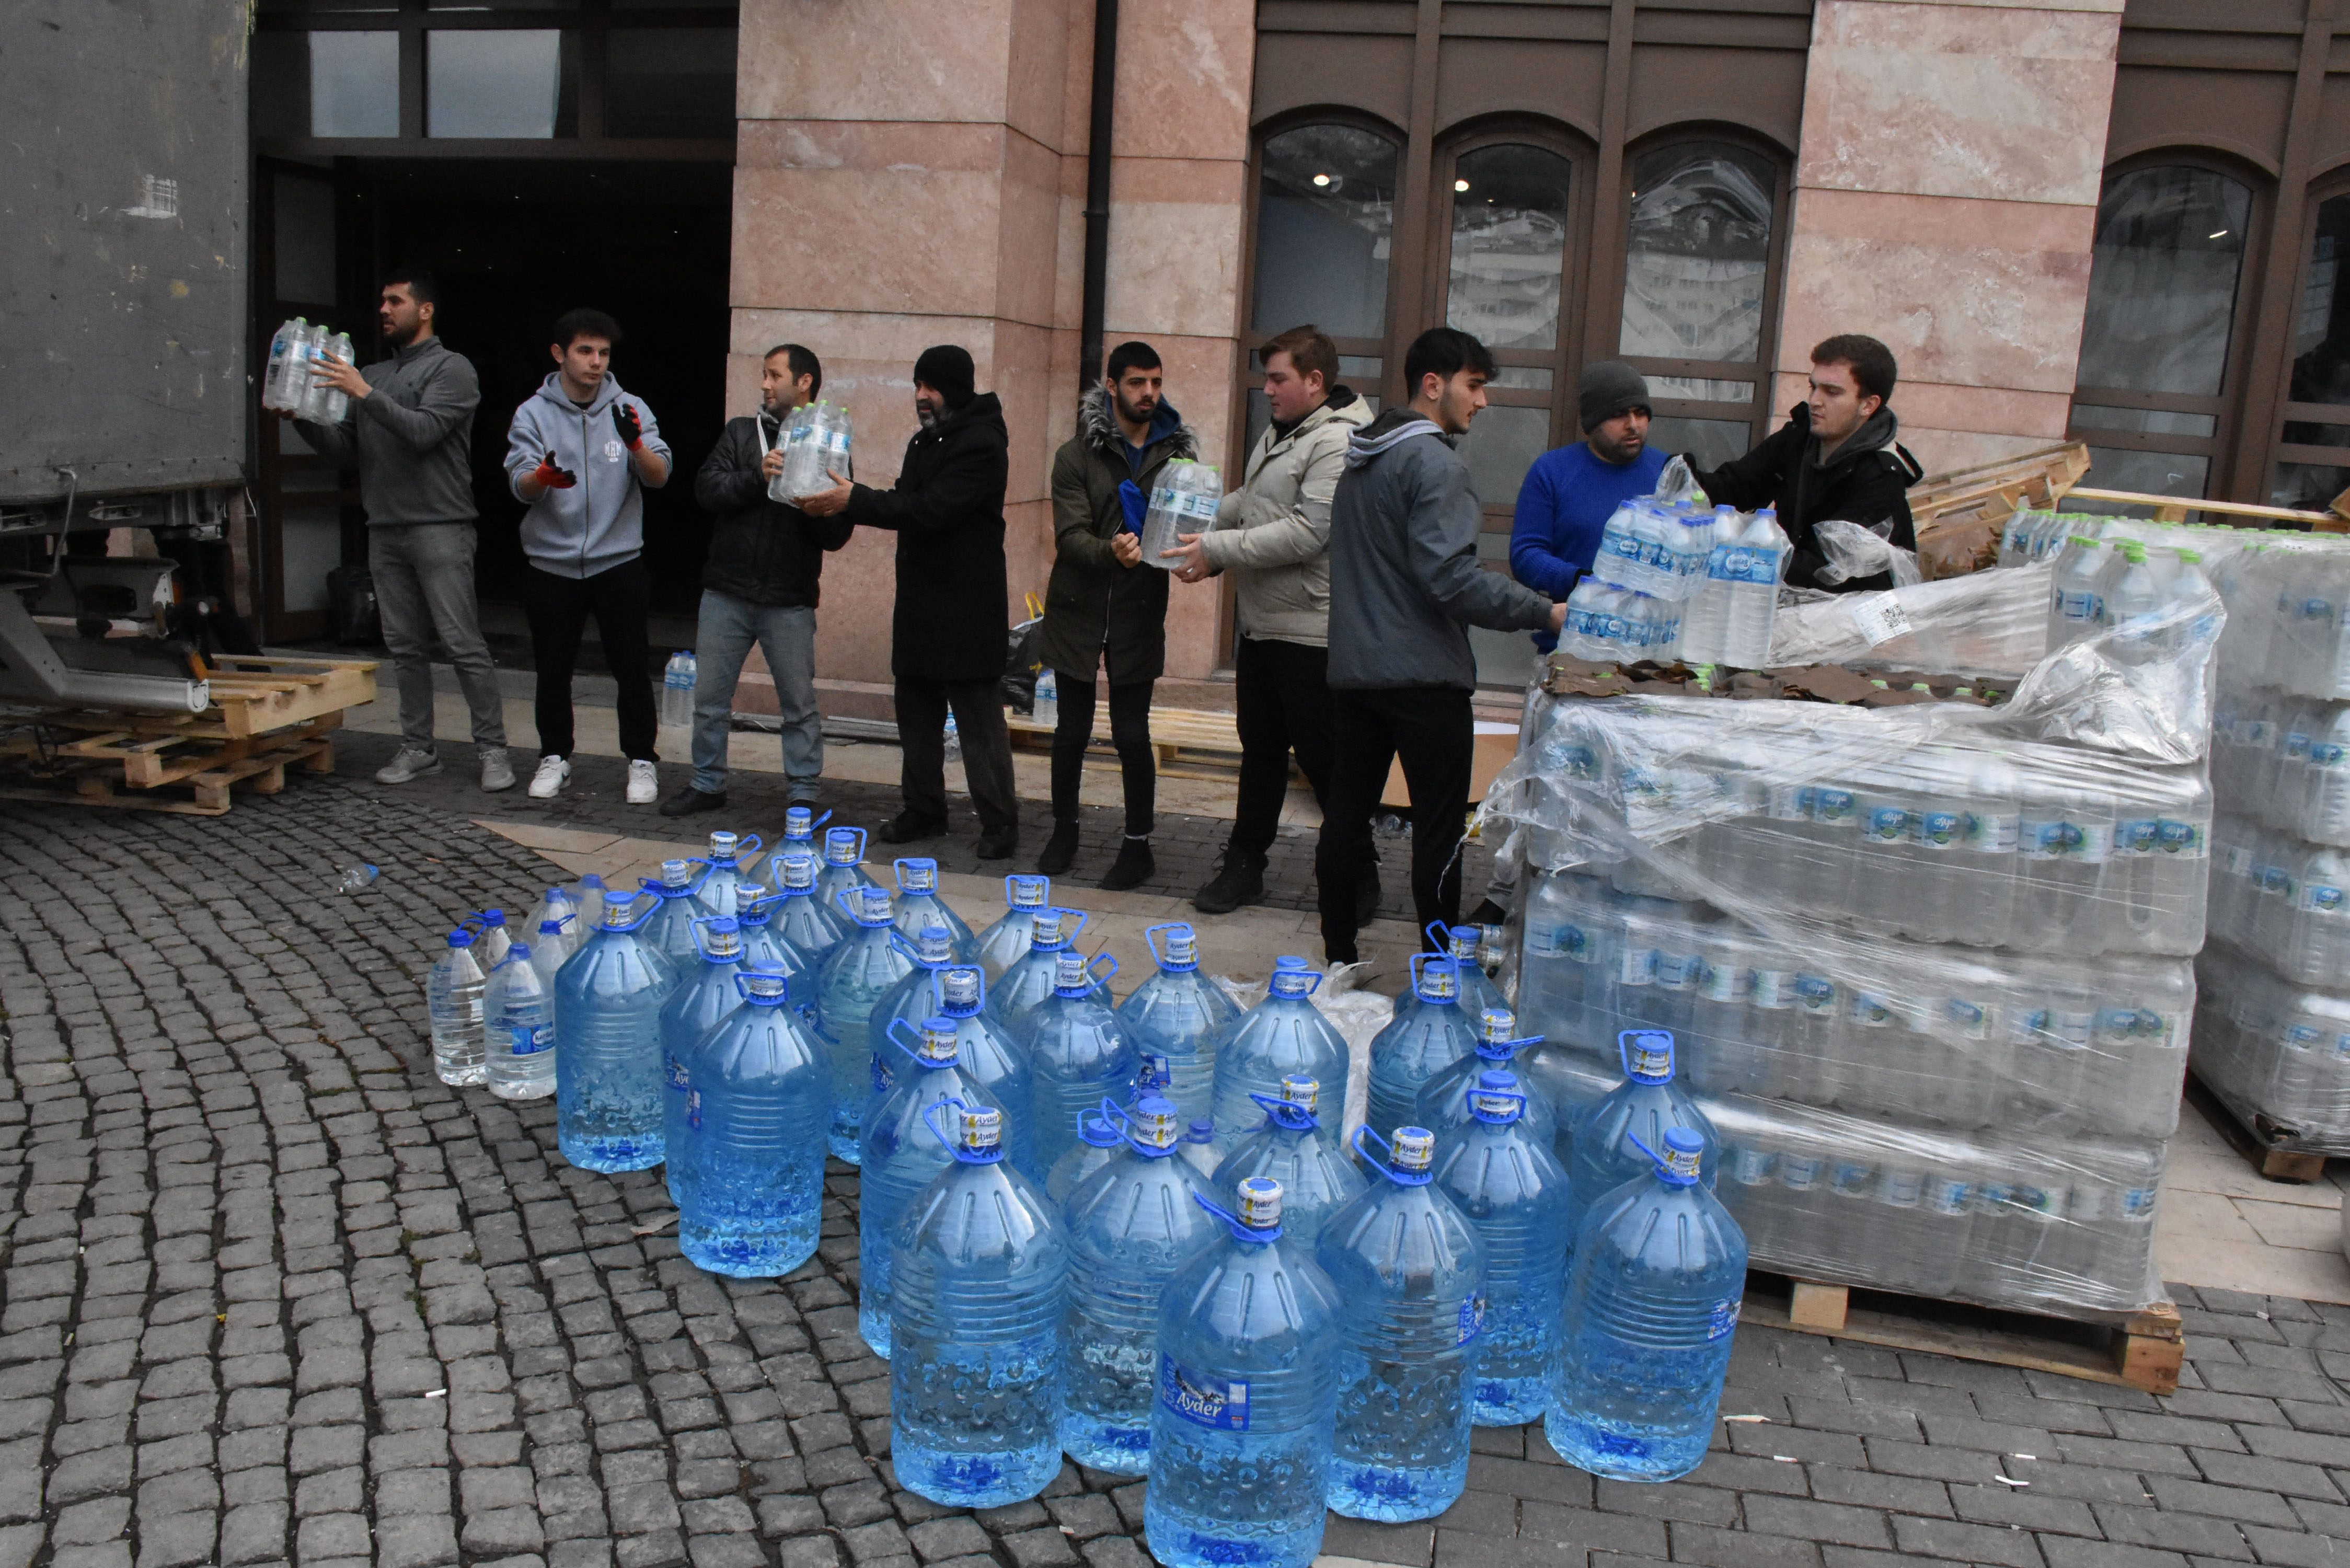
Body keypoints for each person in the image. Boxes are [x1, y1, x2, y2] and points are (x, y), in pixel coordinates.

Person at [1315, 327, 1565, 964]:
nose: (1481, 402)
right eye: (1474, 386)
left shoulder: (1359, 461)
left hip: (1353, 678)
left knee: (1345, 820)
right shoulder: (1434, 464)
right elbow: (1449, 579)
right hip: (1425, 682)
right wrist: (1544, 610)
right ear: (1434, 385)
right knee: (1437, 831)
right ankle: (1433, 970)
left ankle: (1337, 957)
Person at [1162, 324, 1372, 915]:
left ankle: (1359, 871)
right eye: (1266, 379)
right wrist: (1194, 524)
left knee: (1322, 761)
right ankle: (1243, 866)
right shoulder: (1284, 430)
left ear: (1314, 380)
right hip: (1260, 628)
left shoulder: (1338, 441)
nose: (1268, 390)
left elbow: (1310, 532)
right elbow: (1251, 502)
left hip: (1309, 632)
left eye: (1278, 379)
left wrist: (1217, 551)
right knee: (1258, 754)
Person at [293, 269, 512, 791]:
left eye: (395, 301)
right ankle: (419, 748)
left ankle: (494, 751)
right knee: (404, 647)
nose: (384, 311)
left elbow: (424, 432)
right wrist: (298, 417)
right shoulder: (372, 373)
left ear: (426, 309)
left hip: (441, 526)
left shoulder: (451, 370)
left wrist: (364, 392)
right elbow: (345, 450)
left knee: (462, 644)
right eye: (382, 303)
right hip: (385, 528)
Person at [798, 344, 1019, 859]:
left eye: (931, 386)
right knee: (915, 712)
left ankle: (999, 823)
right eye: (918, 385)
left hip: (967, 606)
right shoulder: (925, 440)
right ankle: (923, 809)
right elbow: (902, 502)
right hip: (921, 603)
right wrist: (833, 506)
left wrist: (852, 499)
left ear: (956, 388)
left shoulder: (982, 444)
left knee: (978, 721)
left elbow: (932, 509)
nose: (921, 395)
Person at [662, 344, 850, 819]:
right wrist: (755, 478)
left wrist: (815, 508)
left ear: (804, 382)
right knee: (709, 699)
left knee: (799, 705)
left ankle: (804, 792)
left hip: (788, 598)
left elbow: (838, 532)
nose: (764, 384)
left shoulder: (829, 439)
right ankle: (708, 783)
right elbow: (707, 489)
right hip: (727, 591)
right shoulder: (742, 433)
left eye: (774, 375)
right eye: (763, 375)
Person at [1035, 340, 1196, 889]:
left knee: (1131, 734)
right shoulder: (1075, 455)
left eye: (1155, 382)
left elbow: (1189, 527)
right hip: (1077, 608)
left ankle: (1137, 845)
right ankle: (1064, 830)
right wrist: (1111, 552)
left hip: (1139, 609)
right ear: (1111, 387)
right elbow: (1069, 536)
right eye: (1136, 383)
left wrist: (1196, 554)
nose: (1148, 393)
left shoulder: (1178, 458)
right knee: (1070, 732)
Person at [504, 308, 672, 805]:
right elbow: (519, 482)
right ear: (560, 354)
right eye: (585, 351)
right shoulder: (532, 413)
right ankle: (555, 756)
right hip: (551, 563)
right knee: (553, 668)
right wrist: (543, 478)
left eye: (603, 353)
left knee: (631, 666)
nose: (596, 362)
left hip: (618, 559)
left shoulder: (630, 406)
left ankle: (642, 760)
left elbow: (660, 474)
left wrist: (635, 443)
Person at [1693, 333, 1923, 593]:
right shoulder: (1799, 438)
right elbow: (1734, 486)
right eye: (1814, 387)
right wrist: (1675, 476)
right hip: (1792, 601)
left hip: (1853, 617)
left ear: (1868, 405)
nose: (1815, 400)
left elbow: (1826, 568)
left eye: (1832, 392)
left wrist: (1736, 559)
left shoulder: (1882, 476)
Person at [1509, 361, 1669, 652]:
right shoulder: (1552, 471)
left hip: (1652, 654)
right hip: (1572, 649)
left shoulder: (1669, 473)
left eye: (1641, 413)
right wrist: (1579, 580)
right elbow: (1526, 554)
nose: (1633, 424)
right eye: (1619, 415)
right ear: (1592, 423)